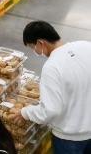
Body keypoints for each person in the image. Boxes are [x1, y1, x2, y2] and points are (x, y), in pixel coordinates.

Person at [21, 21, 91, 153]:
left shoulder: (52, 67)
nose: (35, 51)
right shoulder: (87, 46)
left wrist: (25, 112)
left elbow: (49, 111)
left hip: (69, 139)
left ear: (40, 43)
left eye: (32, 47)